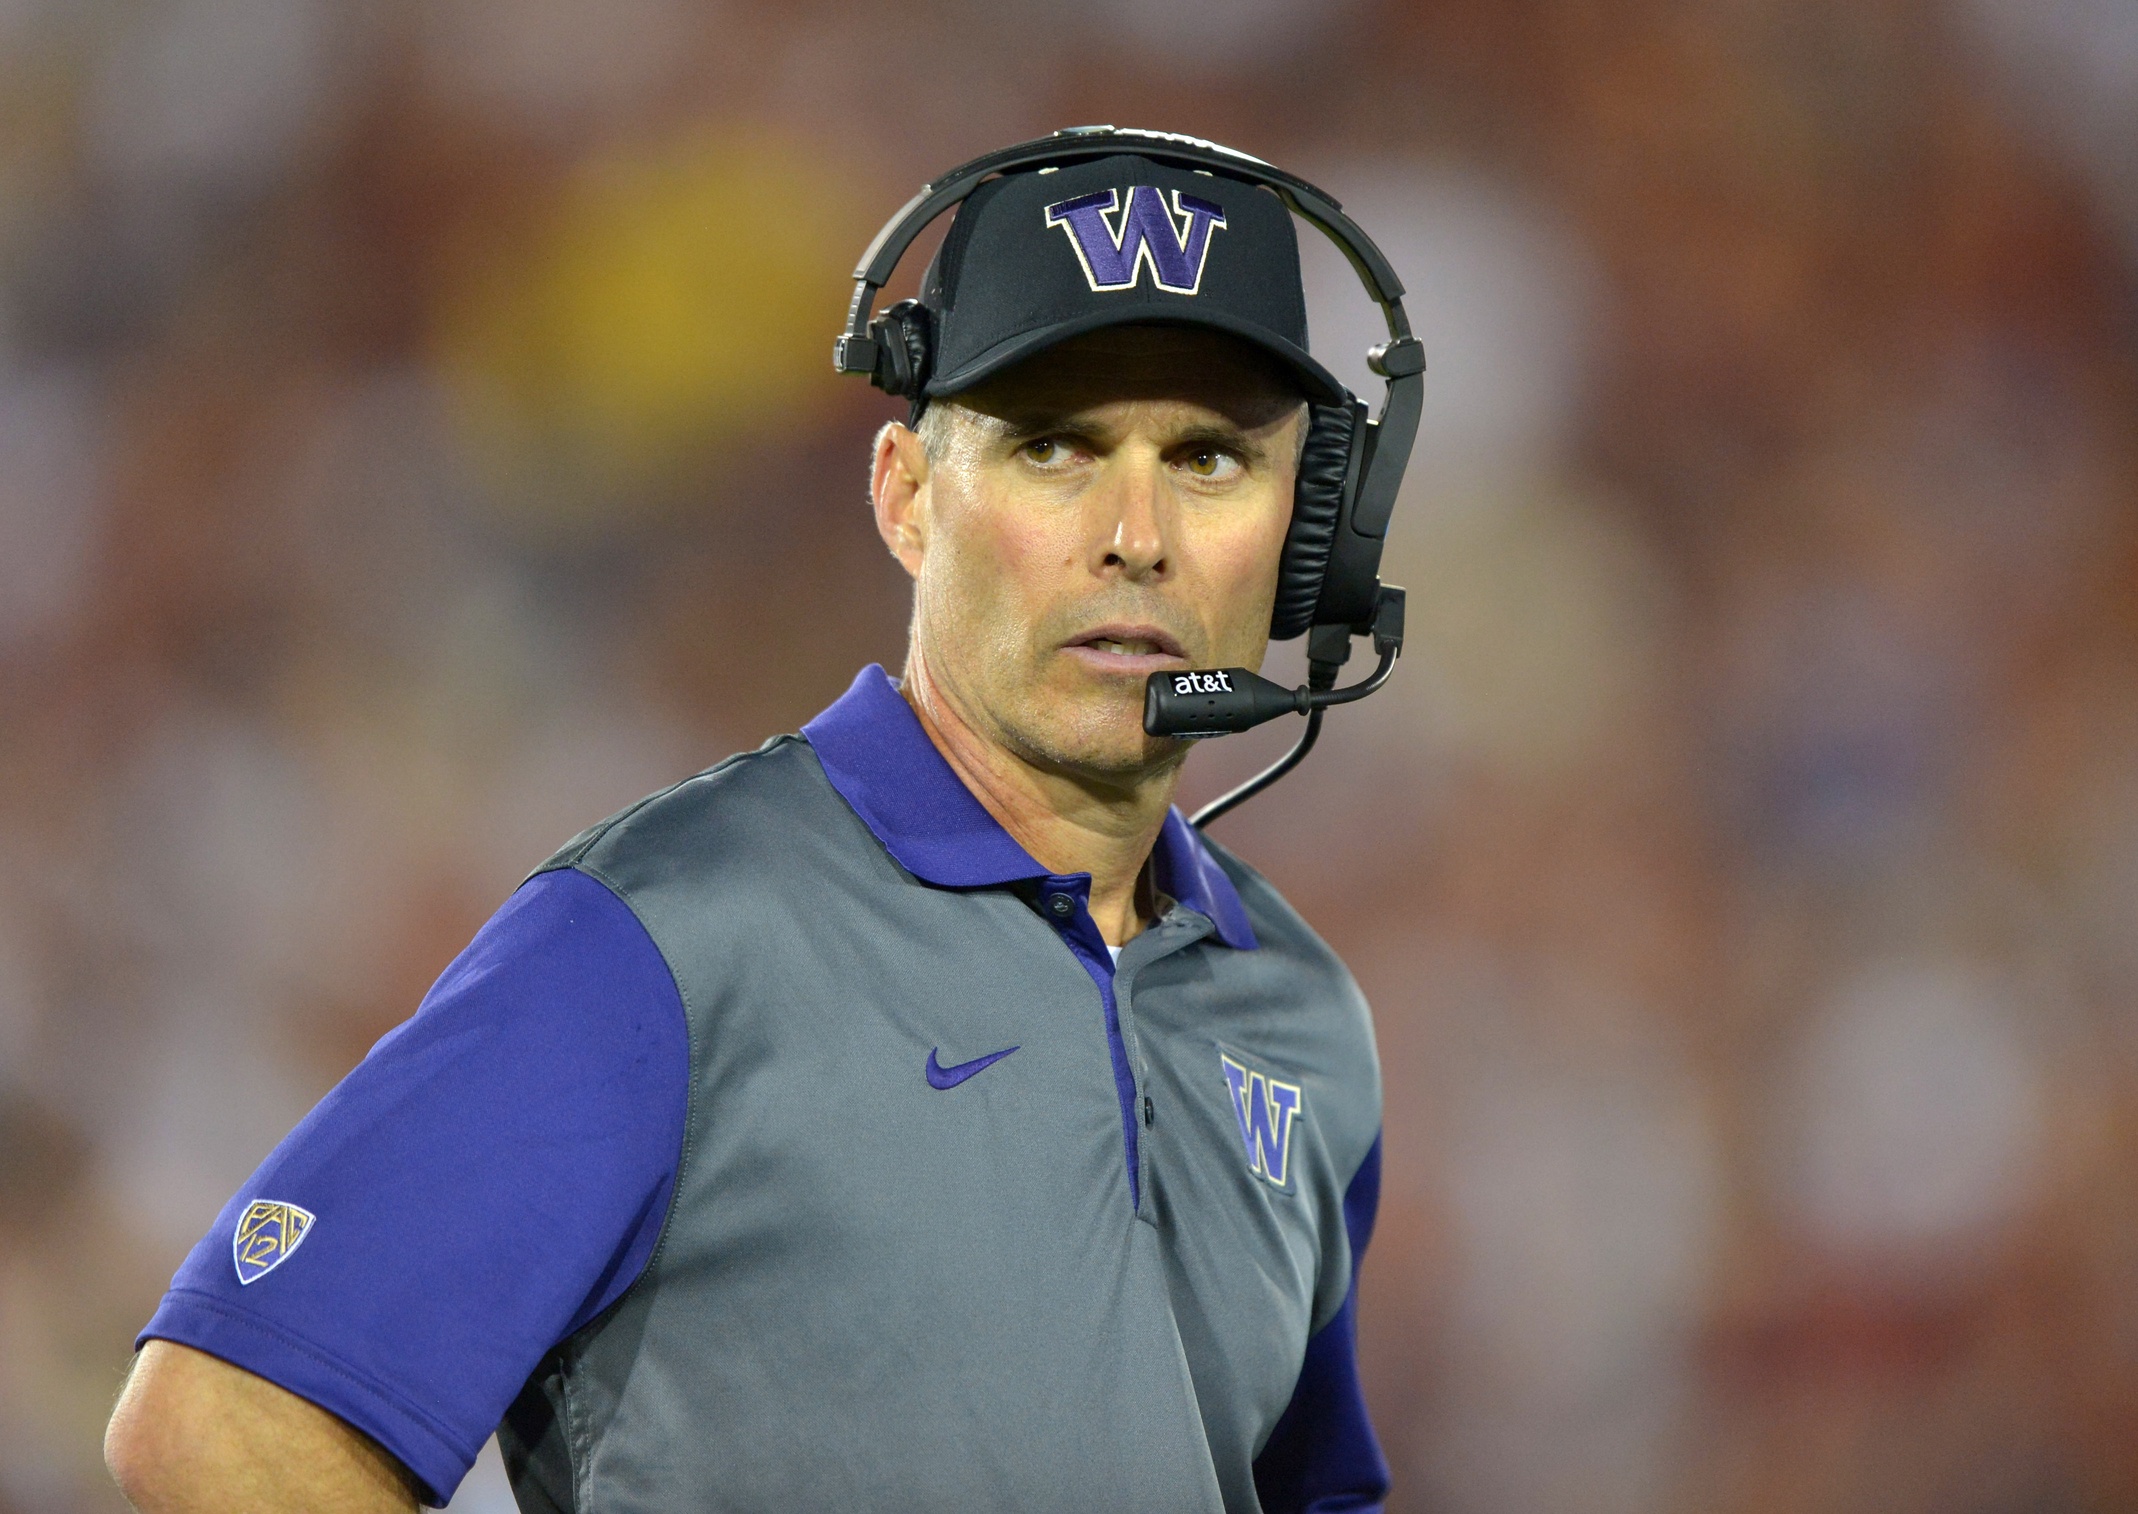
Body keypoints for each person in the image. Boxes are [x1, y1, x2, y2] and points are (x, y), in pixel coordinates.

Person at [105, 141, 1391, 1513]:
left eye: (1205, 457)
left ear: (1307, 537)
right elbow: (223, 1423)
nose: (1135, 533)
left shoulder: (1296, 1009)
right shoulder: (670, 940)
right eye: (1053, 447)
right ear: (905, 496)